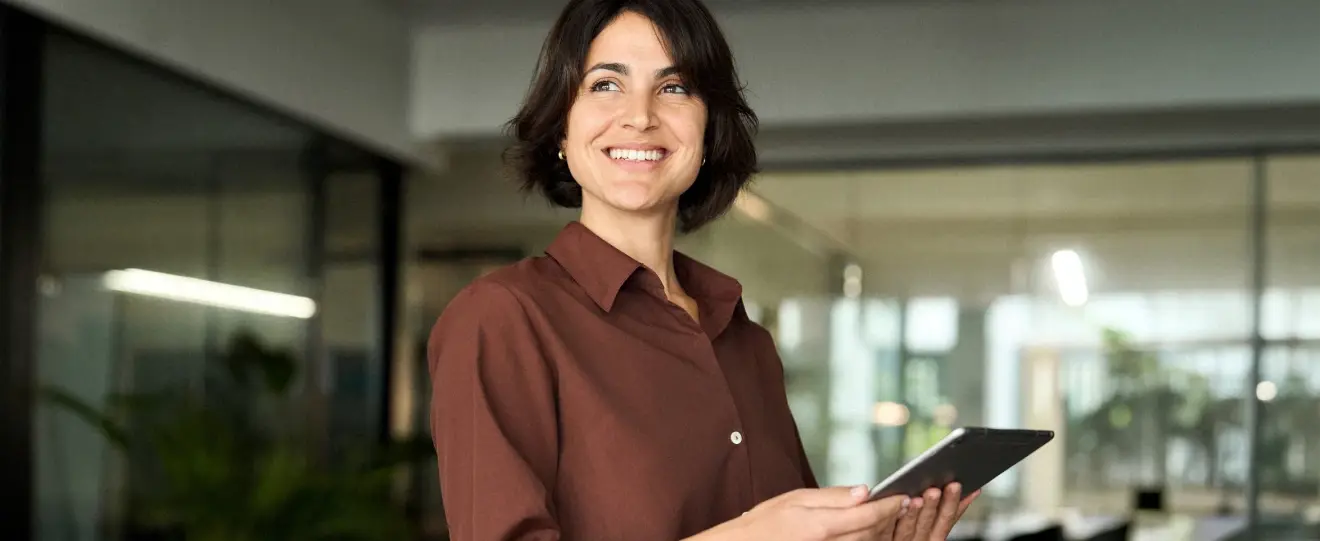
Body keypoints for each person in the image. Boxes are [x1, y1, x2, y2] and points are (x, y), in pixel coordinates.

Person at [427, 0, 979, 539]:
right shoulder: (502, 318)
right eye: (605, 85)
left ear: (709, 132)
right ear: (560, 133)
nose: (640, 116)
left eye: (674, 88)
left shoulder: (749, 344)